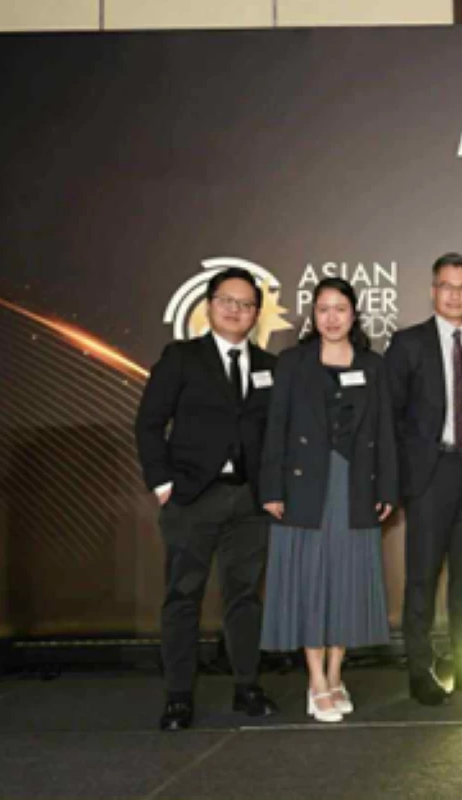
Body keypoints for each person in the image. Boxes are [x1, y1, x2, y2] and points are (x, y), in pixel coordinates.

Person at [135, 267, 279, 731]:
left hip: (248, 504)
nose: (237, 310)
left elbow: (274, 437)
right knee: (182, 596)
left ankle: (247, 686)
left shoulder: (267, 367)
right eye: (228, 301)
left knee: (244, 597)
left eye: (246, 304)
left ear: (257, 314)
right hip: (191, 499)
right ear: (209, 305)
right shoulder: (181, 357)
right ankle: (178, 697)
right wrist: (162, 484)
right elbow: (149, 423)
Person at [258, 277, 398, 723]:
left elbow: (385, 433)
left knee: (345, 581)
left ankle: (337, 674)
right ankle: (315, 679)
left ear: (354, 314)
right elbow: (275, 428)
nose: (332, 317)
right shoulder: (293, 362)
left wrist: (387, 488)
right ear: (313, 315)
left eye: (341, 308)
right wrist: (272, 489)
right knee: (308, 580)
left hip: (355, 486)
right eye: (323, 309)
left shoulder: (373, 366)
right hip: (304, 488)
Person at [385, 253, 462, 706]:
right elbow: (390, 418)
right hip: (430, 474)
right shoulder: (407, 343)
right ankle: (420, 668)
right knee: (422, 578)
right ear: (433, 291)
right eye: (447, 286)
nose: (455, 294)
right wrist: (396, 482)